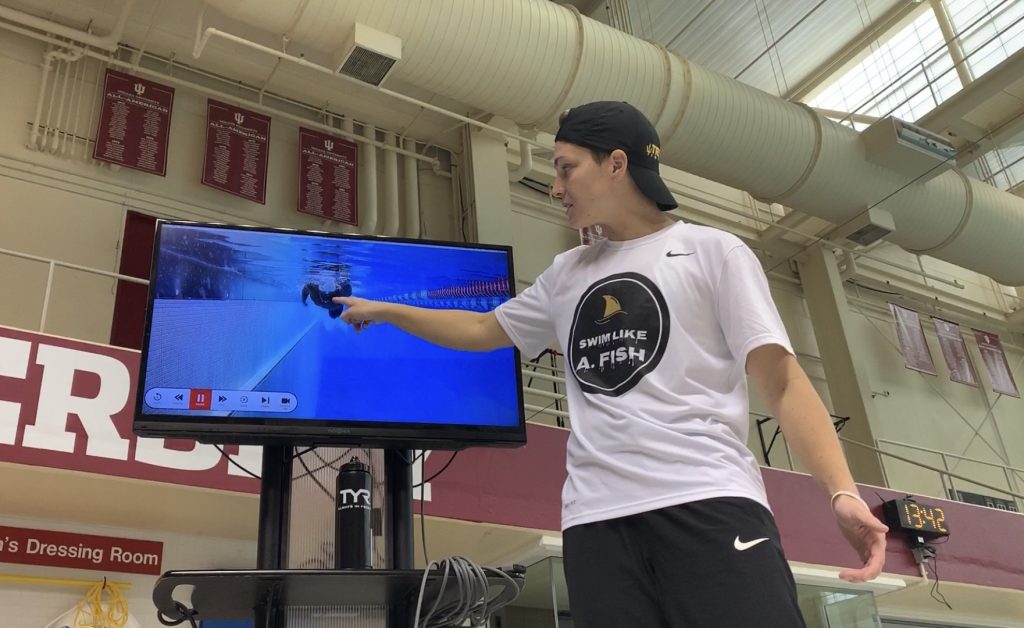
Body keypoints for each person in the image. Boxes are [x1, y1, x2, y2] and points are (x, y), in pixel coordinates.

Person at [334, 101, 888, 627]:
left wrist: (842, 492)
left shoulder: (715, 252)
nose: (556, 187)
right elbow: (484, 329)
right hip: (595, 523)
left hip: (708, 499)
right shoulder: (566, 274)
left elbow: (782, 382)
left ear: (617, 164)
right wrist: (387, 311)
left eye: (566, 168)